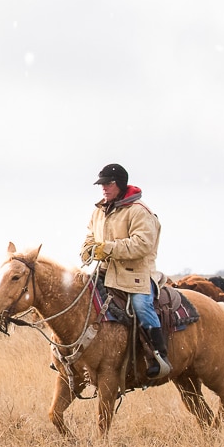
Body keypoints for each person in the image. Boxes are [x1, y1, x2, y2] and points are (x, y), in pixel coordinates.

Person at [81, 162, 169, 380]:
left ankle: (159, 356)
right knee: (77, 296)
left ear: (120, 184)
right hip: (104, 271)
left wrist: (107, 248)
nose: (104, 188)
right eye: (101, 184)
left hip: (136, 274)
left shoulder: (140, 212)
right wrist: (87, 250)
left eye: (108, 184)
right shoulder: (98, 212)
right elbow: (90, 238)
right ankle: (70, 356)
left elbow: (142, 244)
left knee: (141, 305)